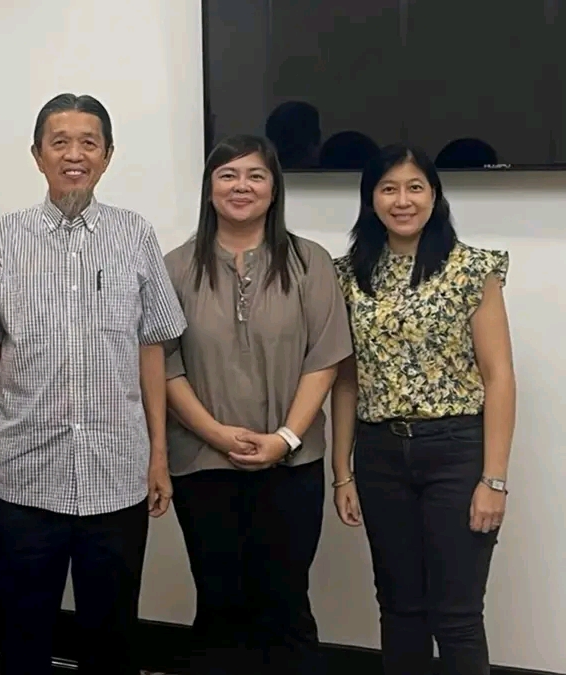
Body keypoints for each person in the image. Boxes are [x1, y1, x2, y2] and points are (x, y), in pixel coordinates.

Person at [0, 93, 187, 675]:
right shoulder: (3, 239)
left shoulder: (135, 236)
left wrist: (158, 456)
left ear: (107, 155)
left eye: (88, 143)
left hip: (118, 478)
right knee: (22, 640)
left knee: (113, 640)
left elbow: (152, 348)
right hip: (24, 480)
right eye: (60, 142)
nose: (74, 155)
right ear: (37, 155)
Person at [162, 134, 352, 675]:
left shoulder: (310, 262)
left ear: (274, 188)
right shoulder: (175, 267)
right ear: (209, 188)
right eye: (227, 175)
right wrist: (216, 434)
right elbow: (165, 366)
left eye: (255, 175)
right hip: (203, 464)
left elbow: (325, 359)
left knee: (286, 602)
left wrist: (285, 439)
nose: (240, 186)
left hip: (292, 465)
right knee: (219, 604)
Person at [331, 145, 515, 675]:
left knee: (457, 615)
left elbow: (499, 377)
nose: (402, 200)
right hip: (379, 455)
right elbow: (347, 381)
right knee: (399, 609)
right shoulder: (349, 275)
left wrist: (494, 480)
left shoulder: (471, 268)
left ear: (435, 196)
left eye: (415, 187)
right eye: (388, 188)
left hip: (456, 452)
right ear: (370, 199)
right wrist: (342, 472)